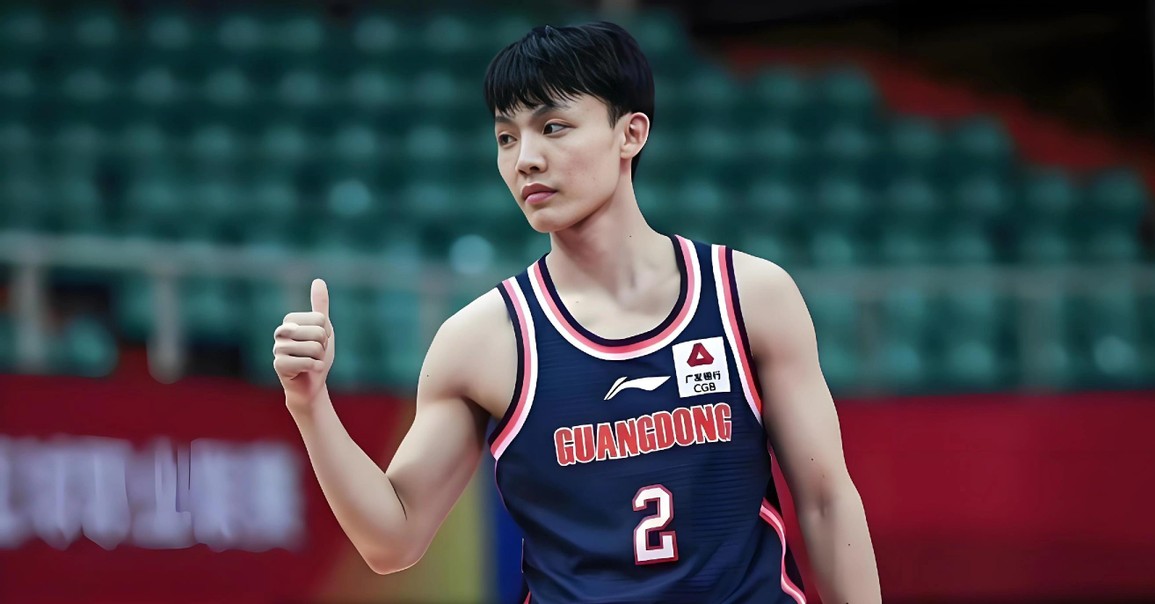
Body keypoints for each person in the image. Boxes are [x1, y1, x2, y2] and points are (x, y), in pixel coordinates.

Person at [272, 21, 880, 603]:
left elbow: (826, 501)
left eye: (553, 127)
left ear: (630, 134)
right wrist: (310, 404)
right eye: (506, 137)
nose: (525, 159)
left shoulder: (749, 294)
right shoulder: (482, 340)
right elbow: (392, 541)